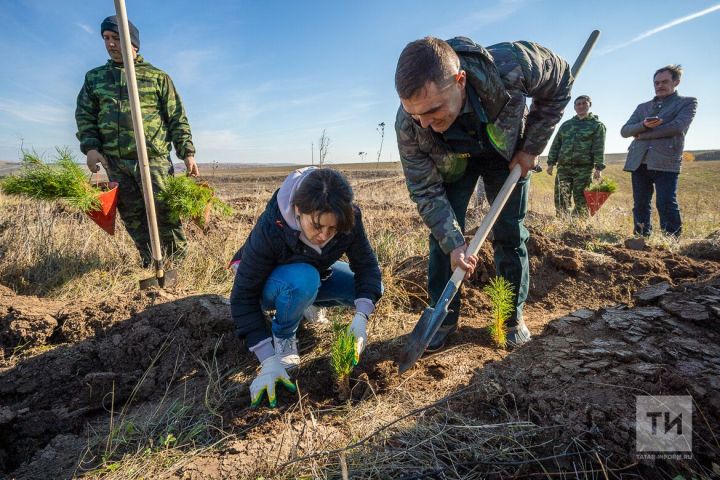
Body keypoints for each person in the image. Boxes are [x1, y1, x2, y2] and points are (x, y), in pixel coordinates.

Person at [394, 36, 572, 351]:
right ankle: (443, 317)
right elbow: (424, 189)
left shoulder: (512, 65)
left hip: (505, 154)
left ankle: (510, 316)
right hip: (454, 162)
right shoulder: (411, 125)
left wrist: (531, 147)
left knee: (509, 233)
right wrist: (453, 243)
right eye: (416, 115)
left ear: (460, 81)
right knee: (443, 239)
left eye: (433, 111)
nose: (425, 124)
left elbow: (561, 79)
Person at [229, 167, 383, 408]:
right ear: (299, 210)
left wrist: (361, 317)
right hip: (268, 283)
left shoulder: (348, 219)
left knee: (362, 289)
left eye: (333, 229)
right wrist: (268, 360)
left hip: (311, 274)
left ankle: (303, 303)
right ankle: (284, 335)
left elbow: (367, 268)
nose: (324, 236)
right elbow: (242, 296)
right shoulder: (273, 226)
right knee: (303, 280)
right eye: (317, 226)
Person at [75, 15, 199, 265]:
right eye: (106, 38)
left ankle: (178, 263)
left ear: (132, 41)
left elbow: (176, 117)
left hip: (152, 160)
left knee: (165, 213)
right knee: (132, 216)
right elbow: (85, 115)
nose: (110, 44)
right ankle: (149, 261)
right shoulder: (95, 78)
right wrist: (90, 148)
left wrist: (187, 152)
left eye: (115, 38)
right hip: (116, 161)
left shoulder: (156, 77)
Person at [621, 64, 697, 237]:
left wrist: (643, 134)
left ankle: (671, 242)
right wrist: (643, 125)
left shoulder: (687, 102)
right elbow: (625, 130)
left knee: (665, 202)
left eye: (664, 81)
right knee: (640, 203)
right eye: (656, 83)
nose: (660, 85)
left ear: (676, 82)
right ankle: (641, 238)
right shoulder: (643, 107)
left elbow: (677, 127)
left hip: (666, 161)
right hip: (639, 161)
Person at [547, 95, 606, 216]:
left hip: (583, 168)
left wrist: (598, 168)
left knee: (581, 198)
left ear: (589, 105)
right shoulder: (567, 125)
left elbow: (599, 147)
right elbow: (556, 144)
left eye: (584, 103)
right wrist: (550, 163)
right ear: (574, 107)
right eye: (578, 104)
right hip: (564, 167)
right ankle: (562, 221)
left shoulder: (597, 125)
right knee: (561, 196)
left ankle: (579, 226)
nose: (581, 106)